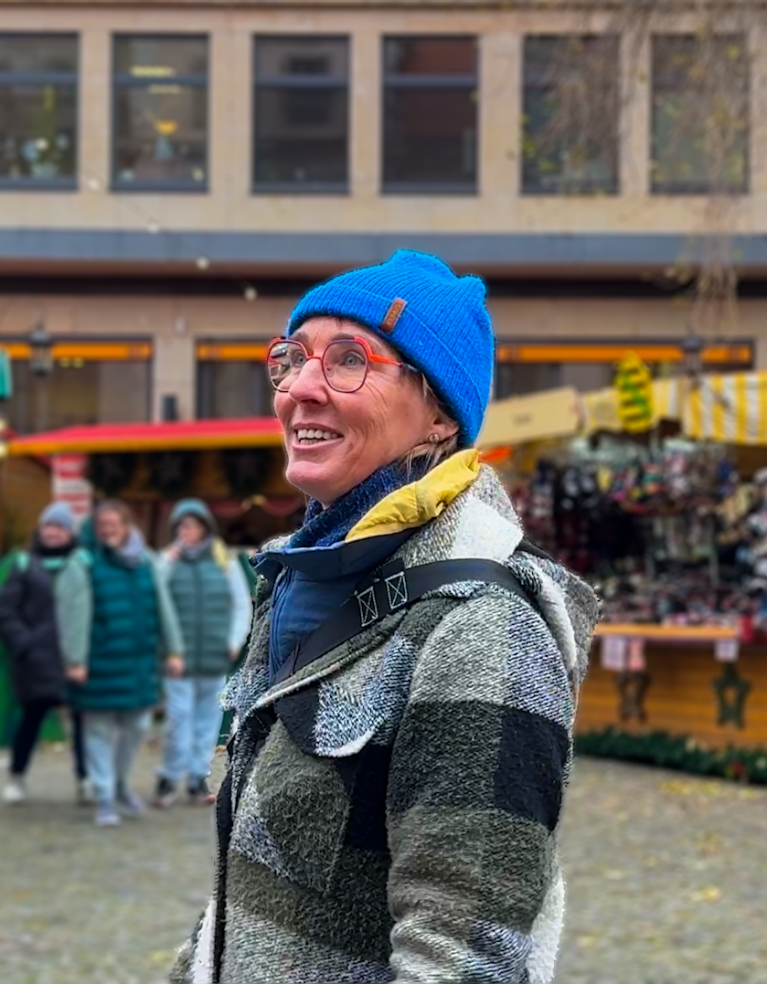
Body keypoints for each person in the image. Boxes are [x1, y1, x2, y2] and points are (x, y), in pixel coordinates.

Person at [171, 251, 599, 984]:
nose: (301, 388)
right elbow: (244, 891)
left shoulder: (479, 628)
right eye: (292, 357)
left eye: (348, 360)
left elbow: (465, 960)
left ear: (438, 416)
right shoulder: (298, 583)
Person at [58, 500, 184, 828]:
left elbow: (164, 608)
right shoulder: (83, 562)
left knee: (139, 727)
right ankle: (103, 795)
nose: (108, 529)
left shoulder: (146, 561)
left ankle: (120, 784)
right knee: (97, 730)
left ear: (127, 525)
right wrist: (74, 659)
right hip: (98, 663)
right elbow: (71, 616)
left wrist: (174, 650)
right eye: (102, 525)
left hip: (138, 663)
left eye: (115, 523)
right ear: (95, 529)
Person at [154, 499, 252, 808]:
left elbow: (240, 604)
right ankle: (169, 776)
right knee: (178, 718)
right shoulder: (167, 562)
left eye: (193, 525)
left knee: (207, 721)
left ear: (205, 527)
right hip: (178, 658)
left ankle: (198, 777)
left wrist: (234, 641)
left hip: (213, 655)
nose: (187, 531)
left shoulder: (224, 561)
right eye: (181, 526)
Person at [0, 502, 89, 805]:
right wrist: (24, 642)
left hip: (72, 661)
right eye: (48, 526)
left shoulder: (81, 564)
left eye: (59, 527)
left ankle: (85, 780)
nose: (53, 532)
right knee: (30, 721)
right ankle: (17, 776)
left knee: (80, 724)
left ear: (69, 533)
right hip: (35, 662)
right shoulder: (24, 564)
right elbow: (7, 610)